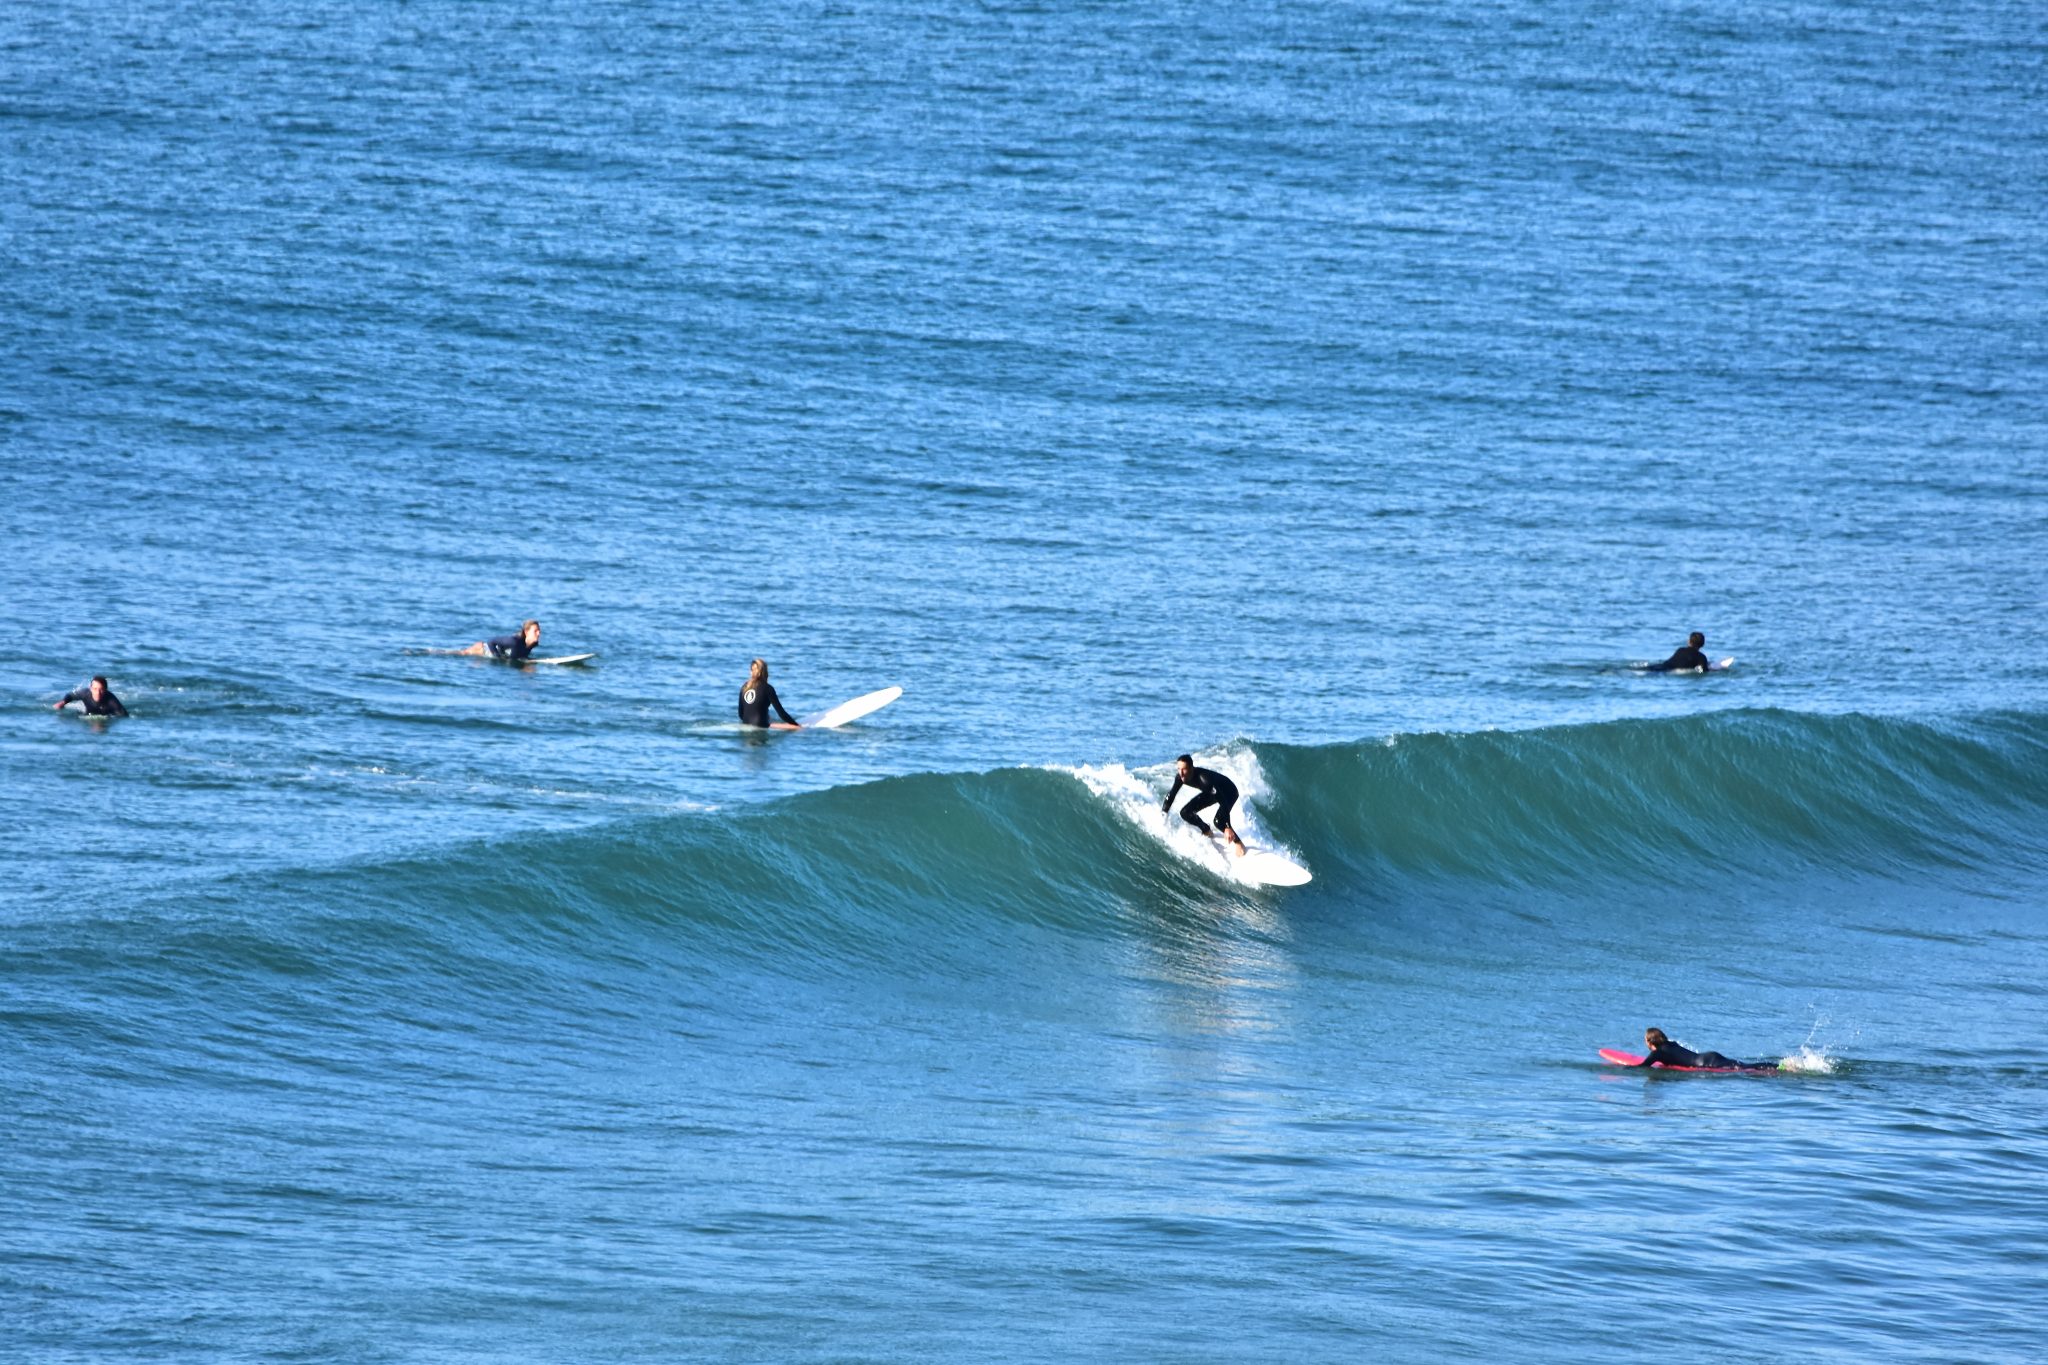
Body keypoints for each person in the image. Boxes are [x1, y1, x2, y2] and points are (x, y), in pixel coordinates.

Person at [1162, 755, 1246, 855]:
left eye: (1184, 769)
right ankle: (1206, 830)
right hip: (1213, 792)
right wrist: (1163, 814)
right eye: (1179, 769)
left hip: (1229, 791)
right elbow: (1171, 795)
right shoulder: (1180, 777)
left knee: (1219, 822)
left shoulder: (1205, 780)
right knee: (1185, 812)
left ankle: (1238, 843)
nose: (1181, 773)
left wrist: (1227, 826)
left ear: (1191, 769)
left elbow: (1223, 802)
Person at [1635, 1027, 1773, 1071]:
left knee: (1745, 1069)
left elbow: (1643, 1067)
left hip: (1705, 1064)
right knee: (1743, 1065)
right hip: (1708, 1056)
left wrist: (1620, 1068)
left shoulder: (1658, 1052)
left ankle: (1778, 1067)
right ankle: (1774, 1066)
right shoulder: (1672, 1044)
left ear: (1649, 1041)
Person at [738, 658, 800, 729]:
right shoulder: (768, 688)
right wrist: (797, 725)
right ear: (765, 672)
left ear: (751, 671)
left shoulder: (744, 687)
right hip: (761, 727)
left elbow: (740, 714)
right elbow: (781, 713)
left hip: (745, 726)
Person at [459, 619, 541, 660]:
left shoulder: (532, 644)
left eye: (539, 631)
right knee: (460, 653)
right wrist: (497, 657)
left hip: (488, 653)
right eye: (535, 631)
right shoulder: (514, 642)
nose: (538, 633)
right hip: (482, 650)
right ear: (526, 632)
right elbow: (491, 641)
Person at [53, 676, 128, 717]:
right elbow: (71, 695)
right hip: (88, 713)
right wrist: (63, 702)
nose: (98, 692)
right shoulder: (85, 693)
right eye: (95, 689)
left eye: (101, 689)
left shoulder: (111, 700)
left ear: (106, 690)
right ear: (91, 688)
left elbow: (124, 715)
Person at [1646, 631, 1712, 672]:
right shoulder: (1701, 657)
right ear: (1703, 644)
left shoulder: (1680, 650)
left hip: (1660, 666)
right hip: (1666, 671)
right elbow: (1700, 671)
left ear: (1689, 641)